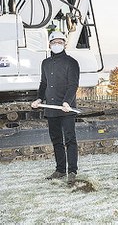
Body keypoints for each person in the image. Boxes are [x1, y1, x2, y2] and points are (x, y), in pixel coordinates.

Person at [31, 31, 80, 185]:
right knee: (56, 140)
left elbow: (73, 84)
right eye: (54, 42)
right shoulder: (45, 63)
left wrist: (67, 102)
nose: (56, 44)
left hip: (66, 108)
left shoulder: (71, 62)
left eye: (59, 42)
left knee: (70, 140)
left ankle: (72, 171)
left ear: (64, 44)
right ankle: (60, 170)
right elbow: (43, 83)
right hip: (51, 109)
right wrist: (39, 98)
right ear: (49, 44)